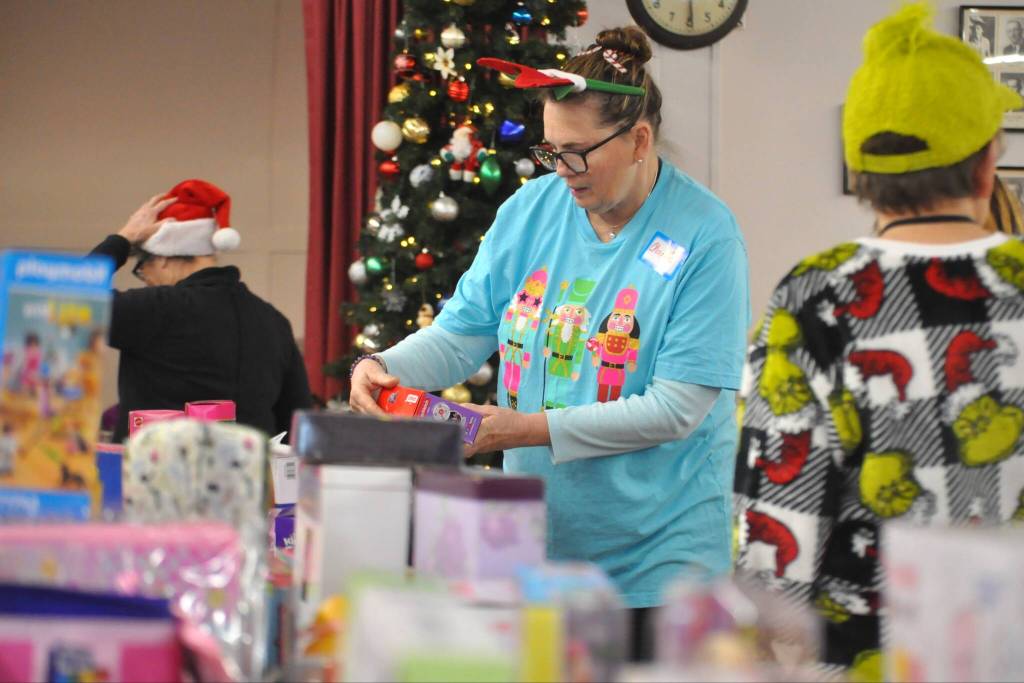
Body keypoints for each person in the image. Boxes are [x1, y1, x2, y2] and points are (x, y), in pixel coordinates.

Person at [349, 27, 750, 657]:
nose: (562, 171)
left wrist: (523, 429)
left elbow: (676, 409)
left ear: (639, 139)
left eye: (578, 152)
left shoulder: (706, 236)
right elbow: (462, 332)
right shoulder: (530, 210)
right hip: (535, 555)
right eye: (551, 150)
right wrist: (382, 364)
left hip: (658, 574)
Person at [733, 4, 1024, 680]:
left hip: (866, 659)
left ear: (860, 172)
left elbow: (779, 529)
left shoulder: (813, 299)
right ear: (987, 164)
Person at [90, 179, 312, 442]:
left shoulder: (154, 309)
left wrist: (124, 239)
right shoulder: (273, 322)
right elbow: (296, 425)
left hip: (155, 476)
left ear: (161, 258)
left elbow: (66, 296)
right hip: (247, 478)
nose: (145, 278)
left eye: (142, 270)